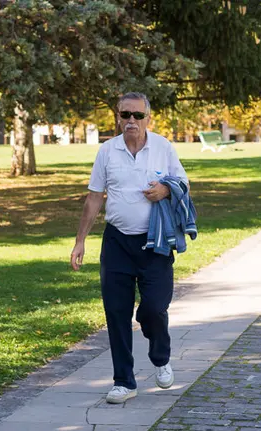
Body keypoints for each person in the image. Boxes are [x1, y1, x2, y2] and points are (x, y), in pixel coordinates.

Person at [70, 92, 188, 404]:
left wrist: (165, 189)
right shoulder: (107, 151)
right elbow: (95, 196)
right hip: (117, 242)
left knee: (152, 309)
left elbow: (184, 184)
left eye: (137, 115)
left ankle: (160, 358)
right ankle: (124, 381)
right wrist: (80, 240)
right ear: (118, 117)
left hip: (155, 243)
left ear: (148, 118)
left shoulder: (163, 147)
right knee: (116, 312)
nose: (131, 121)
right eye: (125, 115)